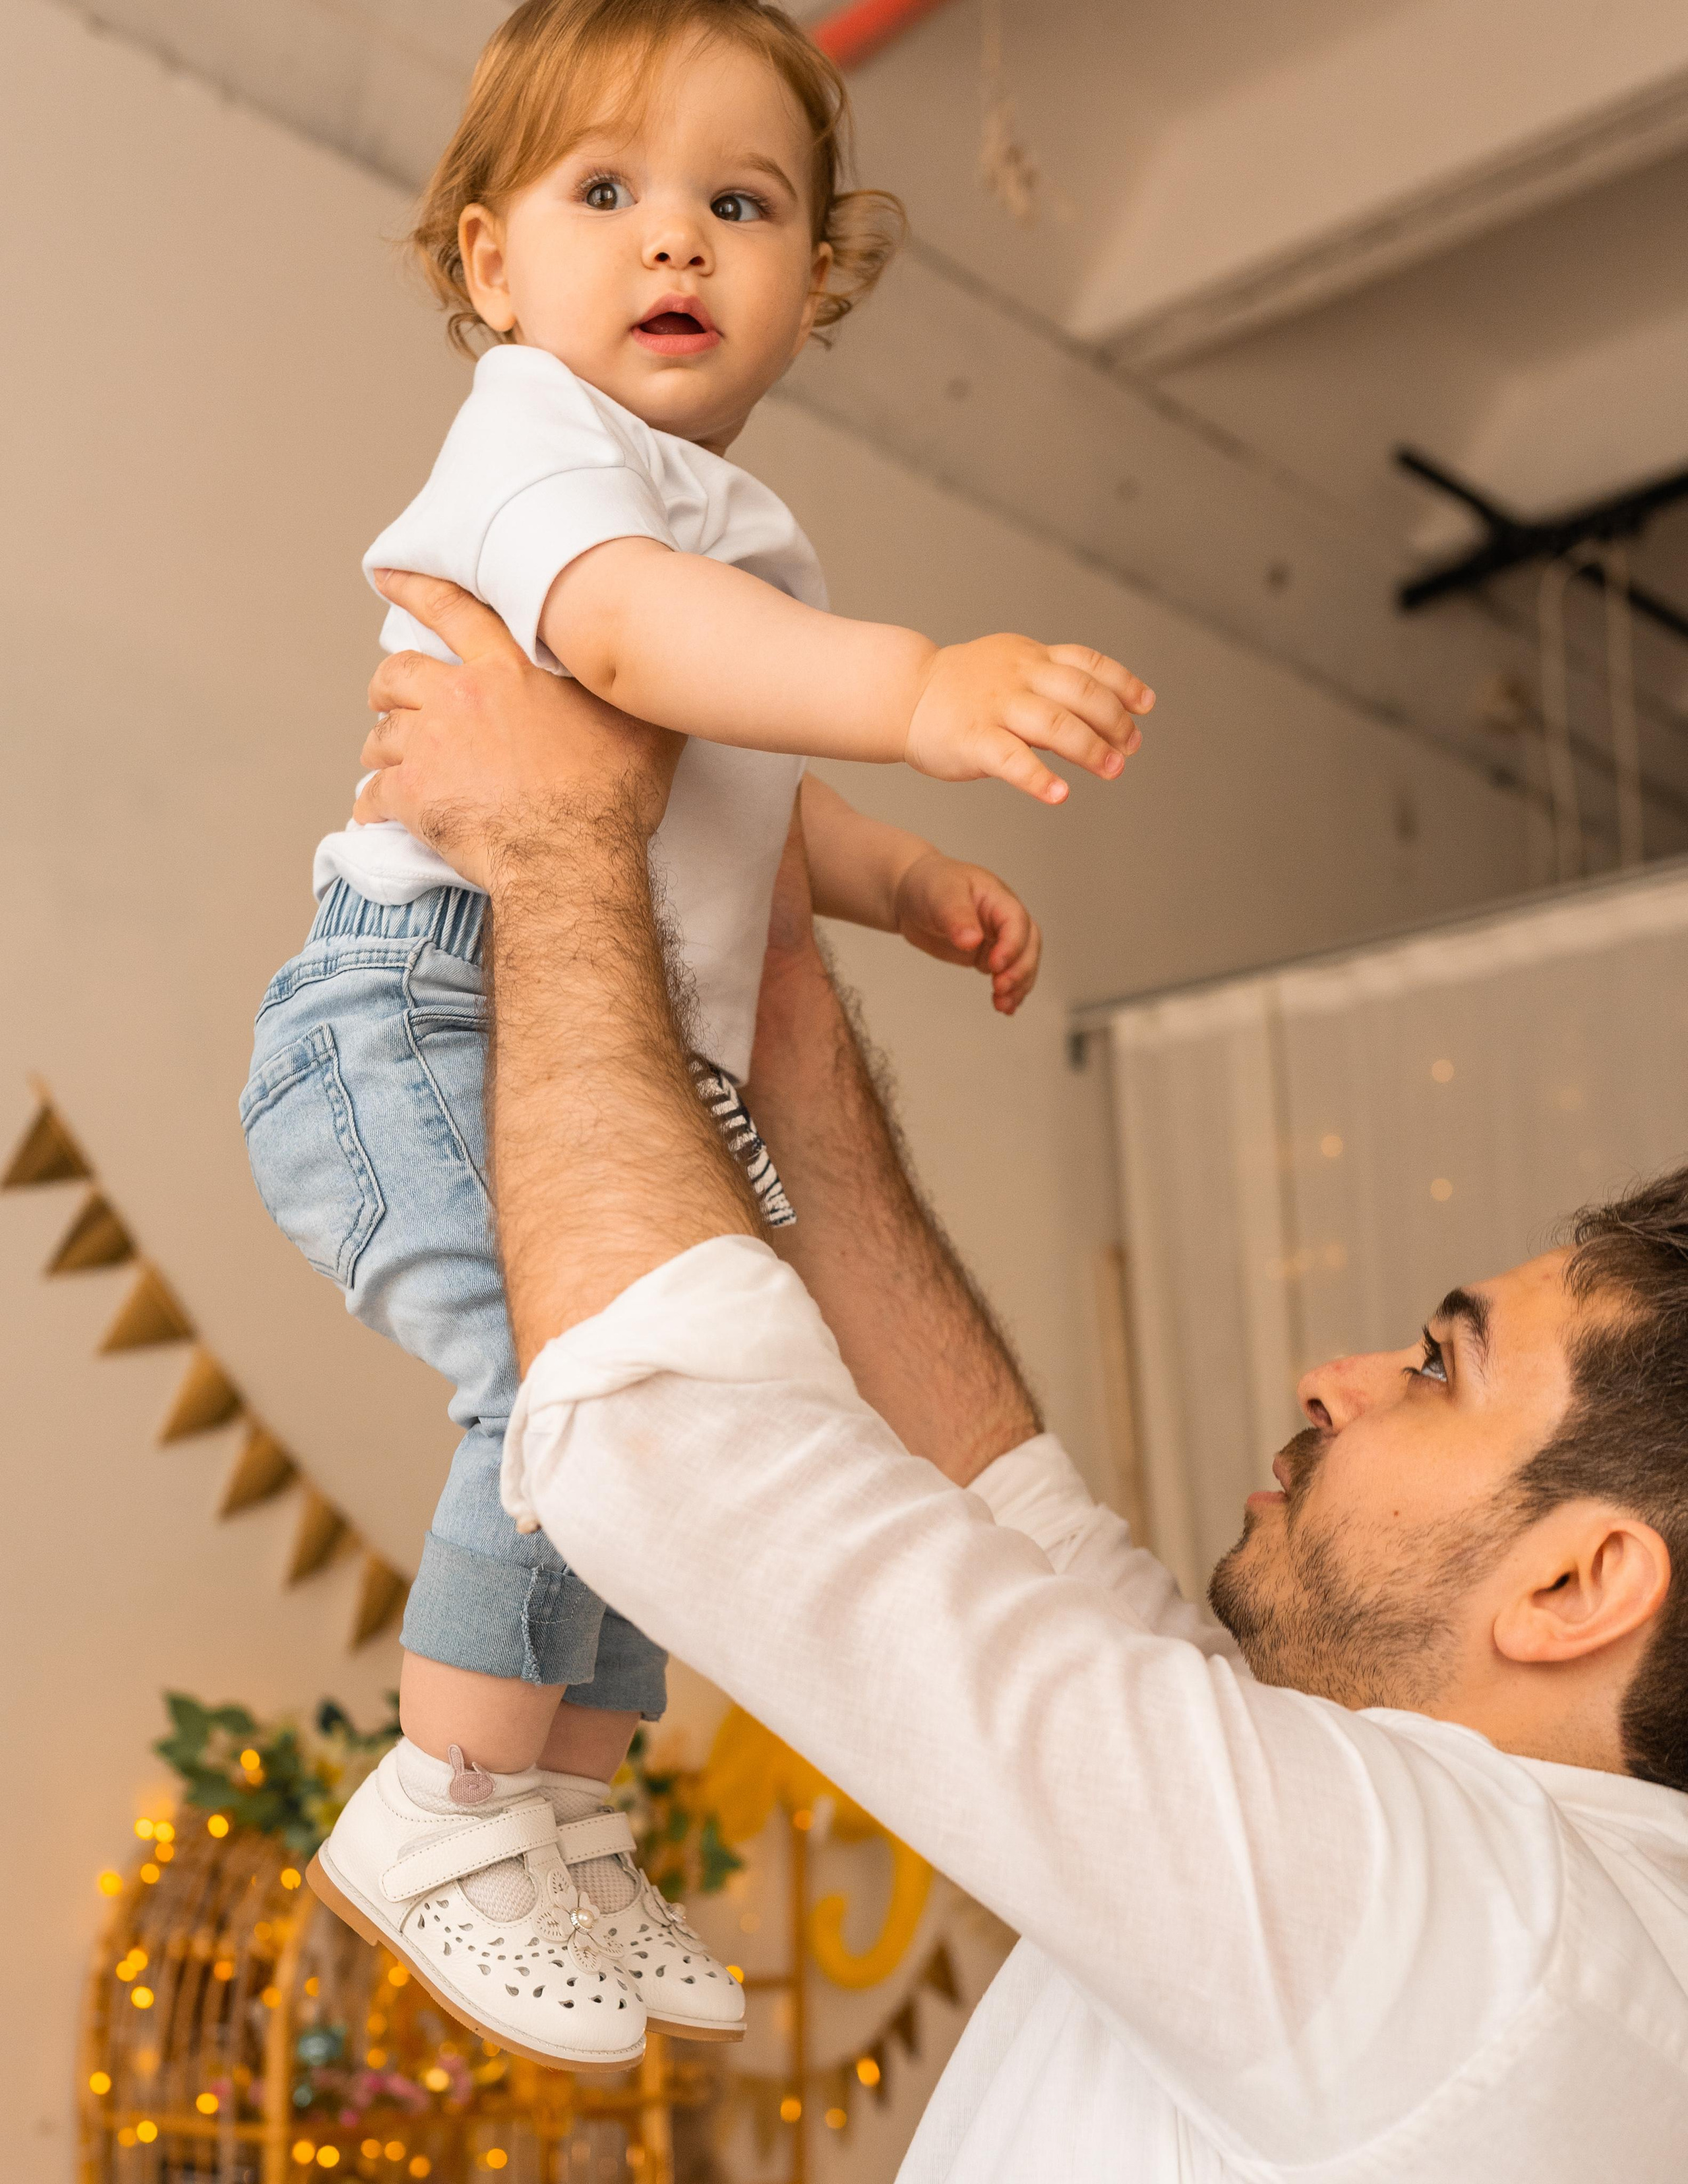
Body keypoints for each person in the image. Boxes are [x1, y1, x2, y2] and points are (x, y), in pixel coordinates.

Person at [329, 571, 1688, 2175]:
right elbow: (995, 1498)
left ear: (1578, 1581)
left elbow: (673, 1455)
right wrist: (780, 1001)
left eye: (1437, 1368)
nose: (1337, 1378)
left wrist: (557, 845)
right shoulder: (1545, 1897)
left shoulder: (1480, 1926)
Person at [244, 0, 1151, 2069]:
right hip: (421, 1029)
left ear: (810, 284)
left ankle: (563, 1800)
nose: (676, 246)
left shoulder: (715, 529)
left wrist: (903, 877)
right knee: (597, 1402)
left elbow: (732, 772)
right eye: (606, 193)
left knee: (700, 1429)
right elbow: (638, 644)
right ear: (489, 264)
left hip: (590, 1066)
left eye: (739, 206)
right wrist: (917, 684)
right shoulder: (541, 445)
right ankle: (447, 1801)